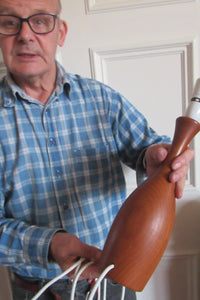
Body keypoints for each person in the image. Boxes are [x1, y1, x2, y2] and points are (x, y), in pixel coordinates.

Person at [0, 0, 194, 299]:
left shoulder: (102, 99)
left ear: (60, 33)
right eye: (10, 22)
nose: (25, 35)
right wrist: (49, 243)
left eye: (40, 21)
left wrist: (153, 155)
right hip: (35, 291)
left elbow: (147, 147)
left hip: (111, 283)